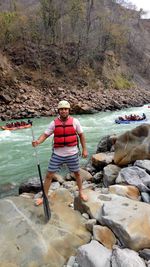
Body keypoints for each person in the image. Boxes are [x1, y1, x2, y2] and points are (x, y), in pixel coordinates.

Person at [32, 100, 88, 205]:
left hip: (72, 154)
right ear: (59, 111)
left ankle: (81, 192)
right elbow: (45, 135)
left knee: (77, 173)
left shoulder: (75, 122)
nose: (63, 111)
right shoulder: (53, 123)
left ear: (69, 110)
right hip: (58, 155)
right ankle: (44, 197)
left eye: (65, 109)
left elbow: (81, 135)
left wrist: (84, 149)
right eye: (61, 109)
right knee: (49, 175)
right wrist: (38, 141)